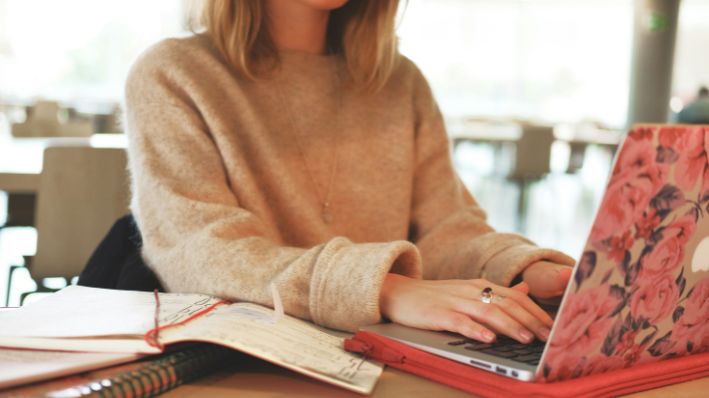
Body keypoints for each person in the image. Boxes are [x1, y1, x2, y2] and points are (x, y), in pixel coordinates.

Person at [124, 0, 575, 345]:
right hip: (246, 368)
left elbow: (445, 230)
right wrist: (385, 289)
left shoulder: (400, 82)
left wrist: (523, 271)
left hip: (387, 356)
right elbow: (205, 253)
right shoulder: (173, 73)